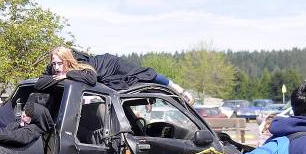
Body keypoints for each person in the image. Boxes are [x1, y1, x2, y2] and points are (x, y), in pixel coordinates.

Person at [41, 46, 195, 104]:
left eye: (59, 64)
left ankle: (179, 89)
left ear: (67, 61)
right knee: (119, 91)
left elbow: (91, 78)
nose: (56, 67)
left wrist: (67, 75)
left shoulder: (80, 67)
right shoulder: (54, 66)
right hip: (104, 77)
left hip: (111, 64)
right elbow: (39, 82)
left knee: (143, 74)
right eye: (54, 63)